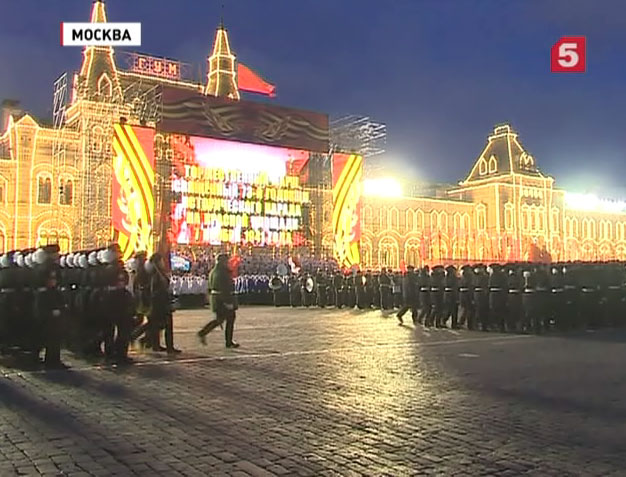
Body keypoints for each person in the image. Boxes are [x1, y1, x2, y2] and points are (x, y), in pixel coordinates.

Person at [198, 253, 240, 348]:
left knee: (220, 320)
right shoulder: (222, 273)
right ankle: (228, 341)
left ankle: (204, 332)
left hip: (217, 299)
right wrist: (228, 302)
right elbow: (224, 288)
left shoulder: (214, 271)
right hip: (222, 300)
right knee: (228, 319)